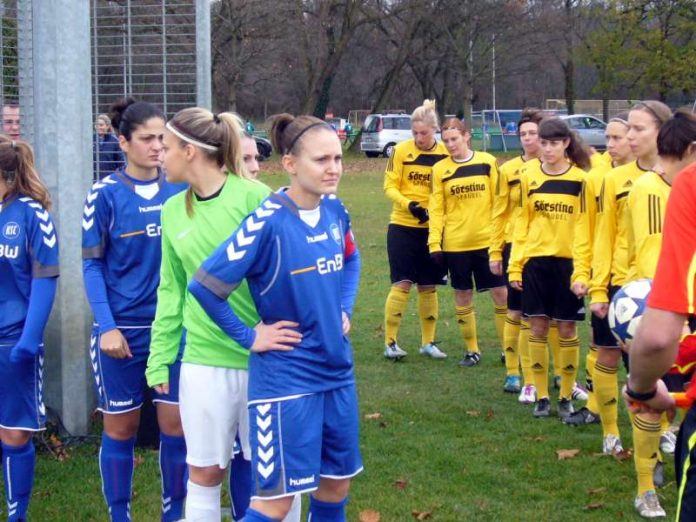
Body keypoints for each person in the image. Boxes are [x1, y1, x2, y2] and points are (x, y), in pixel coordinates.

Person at [189, 113, 362, 522]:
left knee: (335, 485)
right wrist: (250, 337)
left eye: (337, 157)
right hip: (286, 380)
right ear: (289, 164)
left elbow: (351, 260)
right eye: (321, 160)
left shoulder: (336, 211)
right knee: (276, 502)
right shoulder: (266, 222)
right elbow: (205, 287)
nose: (333, 168)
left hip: (336, 373)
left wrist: (343, 307)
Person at [145, 108, 300, 521]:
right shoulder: (172, 210)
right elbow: (171, 290)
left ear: (191, 151)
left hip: (266, 364)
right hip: (203, 363)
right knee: (204, 473)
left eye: (167, 144)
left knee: (279, 478)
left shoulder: (254, 198)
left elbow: (293, 273)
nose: (160, 153)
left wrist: (268, 337)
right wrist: (160, 356)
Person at [82, 98, 188, 522]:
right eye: (147, 139)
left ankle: (173, 513)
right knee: (120, 430)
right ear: (122, 142)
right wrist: (107, 326)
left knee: (175, 427)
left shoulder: (180, 190)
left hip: (173, 331)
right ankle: (119, 515)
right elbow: (91, 265)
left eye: (163, 138)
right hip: (121, 333)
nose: (157, 146)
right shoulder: (103, 195)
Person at [622, 109, 696, 519]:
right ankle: (646, 483)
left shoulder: (689, 186)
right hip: (647, 295)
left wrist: (641, 386)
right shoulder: (635, 186)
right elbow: (620, 238)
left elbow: (656, 337)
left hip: (668, 309)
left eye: (637, 129)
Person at [587, 101, 671, 456]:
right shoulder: (614, 179)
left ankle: (662, 428)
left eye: (639, 129)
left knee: (658, 364)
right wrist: (597, 288)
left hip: (665, 286)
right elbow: (604, 235)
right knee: (607, 356)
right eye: (629, 130)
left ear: (662, 131)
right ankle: (610, 431)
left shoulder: (680, 176)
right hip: (621, 287)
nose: (630, 137)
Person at [508, 117, 592, 420]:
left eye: (553, 143)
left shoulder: (581, 180)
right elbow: (523, 224)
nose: (547, 149)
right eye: (543, 143)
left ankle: (567, 394)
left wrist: (582, 270)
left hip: (568, 264)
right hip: (536, 264)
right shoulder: (529, 177)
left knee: (567, 328)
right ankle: (542, 395)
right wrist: (516, 266)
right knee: (538, 327)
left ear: (566, 144)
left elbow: (585, 229)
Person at [0, 136, 58, 522]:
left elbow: (45, 278)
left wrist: (30, 338)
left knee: (14, 434)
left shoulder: (31, 214)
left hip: (11, 339)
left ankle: (16, 515)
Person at [565, 112, 635, 426]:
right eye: (608, 138)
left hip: (644, 277)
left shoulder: (661, 176)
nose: (611, 144)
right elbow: (586, 230)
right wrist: (585, 272)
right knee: (600, 346)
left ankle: (662, 422)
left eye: (617, 138)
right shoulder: (597, 178)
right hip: (606, 274)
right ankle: (596, 408)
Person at [428, 117, 506, 366]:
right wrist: (434, 243)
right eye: (445, 140)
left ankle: (509, 349)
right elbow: (437, 208)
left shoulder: (487, 162)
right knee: (462, 295)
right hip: (456, 244)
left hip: (487, 242)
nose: (450, 144)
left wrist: (499, 240)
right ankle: (472, 350)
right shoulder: (440, 170)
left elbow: (499, 204)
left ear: (466, 136)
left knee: (500, 293)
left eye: (454, 139)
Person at [382, 99, 448, 360]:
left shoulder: (445, 154)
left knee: (428, 285)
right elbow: (389, 186)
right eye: (415, 133)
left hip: (433, 229)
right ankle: (390, 343)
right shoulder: (400, 151)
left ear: (435, 130)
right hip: (402, 225)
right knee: (402, 282)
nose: (419, 138)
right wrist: (410, 205)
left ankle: (428, 342)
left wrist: (436, 214)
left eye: (425, 133)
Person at [491, 108, 543, 397]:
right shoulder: (508, 170)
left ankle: (549, 373)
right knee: (517, 310)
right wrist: (496, 251)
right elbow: (499, 212)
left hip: (549, 249)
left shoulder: (559, 167)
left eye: (533, 133)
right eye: (523, 134)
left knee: (547, 316)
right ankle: (514, 372)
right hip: (516, 246)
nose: (527, 139)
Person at [93, 113, 126, 179]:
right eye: (97, 125)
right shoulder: (90, 140)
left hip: (109, 179)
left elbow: (121, 163)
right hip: (93, 180)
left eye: (101, 125)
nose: (99, 127)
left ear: (107, 126)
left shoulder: (114, 141)